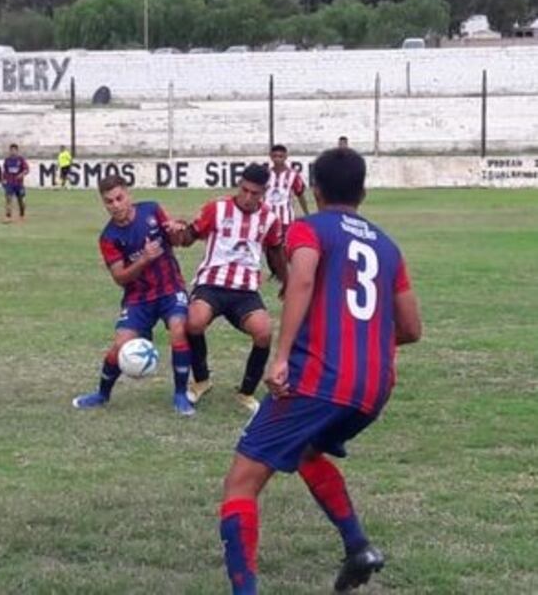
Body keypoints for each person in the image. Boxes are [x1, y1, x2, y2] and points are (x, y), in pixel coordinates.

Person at [217, 148, 422, 594]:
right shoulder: (388, 245)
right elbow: (411, 328)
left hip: (318, 379)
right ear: (364, 192)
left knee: (240, 484)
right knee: (307, 449)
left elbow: (303, 278)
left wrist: (282, 354)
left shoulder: (308, 228)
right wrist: (369, 346)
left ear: (315, 189)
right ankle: (358, 547)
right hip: (373, 387)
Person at [165, 164, 287, 412]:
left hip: (245, 291)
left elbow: (275, 252)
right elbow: (191, 236)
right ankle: (201, 381)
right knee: (194, 321)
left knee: (264, 332)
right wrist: (180, 232)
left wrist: (287, 282)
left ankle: (246, 393)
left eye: (255, 193)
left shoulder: (270, 218)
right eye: (244, 190)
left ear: (264, 192)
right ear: (239, 185)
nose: (248, 197)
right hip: (212, 283)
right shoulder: (217, 208)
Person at [71, 175, 195, 417]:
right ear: (103, 204)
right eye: (109, 202)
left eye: (119, 198)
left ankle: (180, 394)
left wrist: (178, 229)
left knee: (179, 328)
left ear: (128, 194)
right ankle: (102, 394)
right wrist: (145, 259)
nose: (116, 205)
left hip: (171, 289)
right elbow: (120, 277)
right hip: (138, 297)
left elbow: (176, 240)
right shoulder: (108, 237)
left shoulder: (151, 209)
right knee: (119, 345)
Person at [265, 144, 310, 236]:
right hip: (267, 218)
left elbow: (300, 195)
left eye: (280, 156)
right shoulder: (265, 174)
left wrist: (306, 213)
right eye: (275, 156)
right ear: (270, 156)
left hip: (286, 219)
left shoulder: (293, 175)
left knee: (285, 246)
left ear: (285, 157)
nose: (277, 159)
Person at [2, 143, 29, 222]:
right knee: (8, 199)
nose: (13, 152)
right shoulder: (7, 160)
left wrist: (21, 174)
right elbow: (5, 171)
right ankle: (8, 216)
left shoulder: (21, 160)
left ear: (17, 151)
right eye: (11, 150)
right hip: (10, 184)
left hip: (19, 184)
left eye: (14, 150)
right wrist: (3, 179)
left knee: (21, 201)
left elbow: (26, 170)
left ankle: (22, 214)